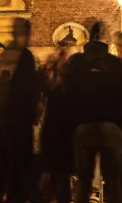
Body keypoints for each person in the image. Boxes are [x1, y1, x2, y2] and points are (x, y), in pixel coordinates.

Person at [64, 22, 122, 203]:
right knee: (113, 180)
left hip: (83, 125)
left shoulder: (77, 63)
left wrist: (73, 121)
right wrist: (121, 122)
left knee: (84, 180)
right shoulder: (115, 63)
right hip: (111, 125)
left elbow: (68, 92)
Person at [0, 17, 43, 203]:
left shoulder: (3, 56)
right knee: (20, 164)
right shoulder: (25, 56)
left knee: (0, 164)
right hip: (19, 119)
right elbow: (29, 89)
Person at [40, 40, 80, 203]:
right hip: (61, 131)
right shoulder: (61, 89)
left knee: (60, 171)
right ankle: (57, 195)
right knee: (60, 171)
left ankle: (55, 195)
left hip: (60, 131)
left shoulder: (61, 90)